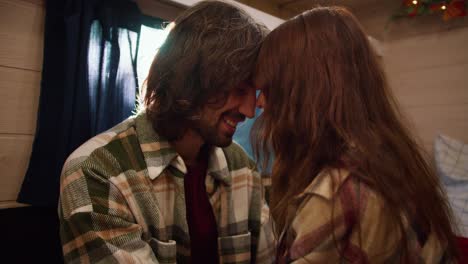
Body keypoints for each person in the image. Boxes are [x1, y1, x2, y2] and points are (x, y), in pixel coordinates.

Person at [58, 1, 275, 263]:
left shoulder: (243, 168)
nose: (251, 110)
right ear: (192, 80)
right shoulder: (97, 173)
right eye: (240, 89)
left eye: (256, 93)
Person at [252, 6, 459, 263]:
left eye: (270, 89)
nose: (259, 103)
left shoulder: (340, 190)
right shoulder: (386, 156)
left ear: (302, 91)